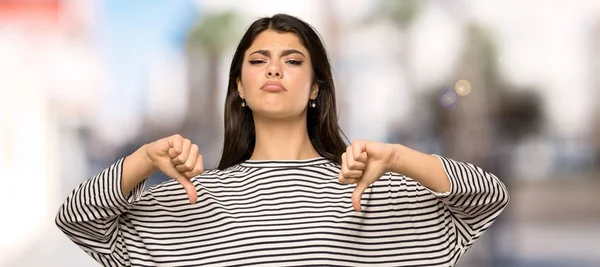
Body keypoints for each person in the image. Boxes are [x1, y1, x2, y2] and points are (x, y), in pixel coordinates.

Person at [56, 13, 509, 266]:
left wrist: (400, 158)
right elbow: (76, 220)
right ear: (238, 86)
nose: (274, 69)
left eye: (293, 60)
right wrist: (143, 159)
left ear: (316, 87)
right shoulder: (192, 198)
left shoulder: (373, 191)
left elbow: (488, 199)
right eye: (258, 60)